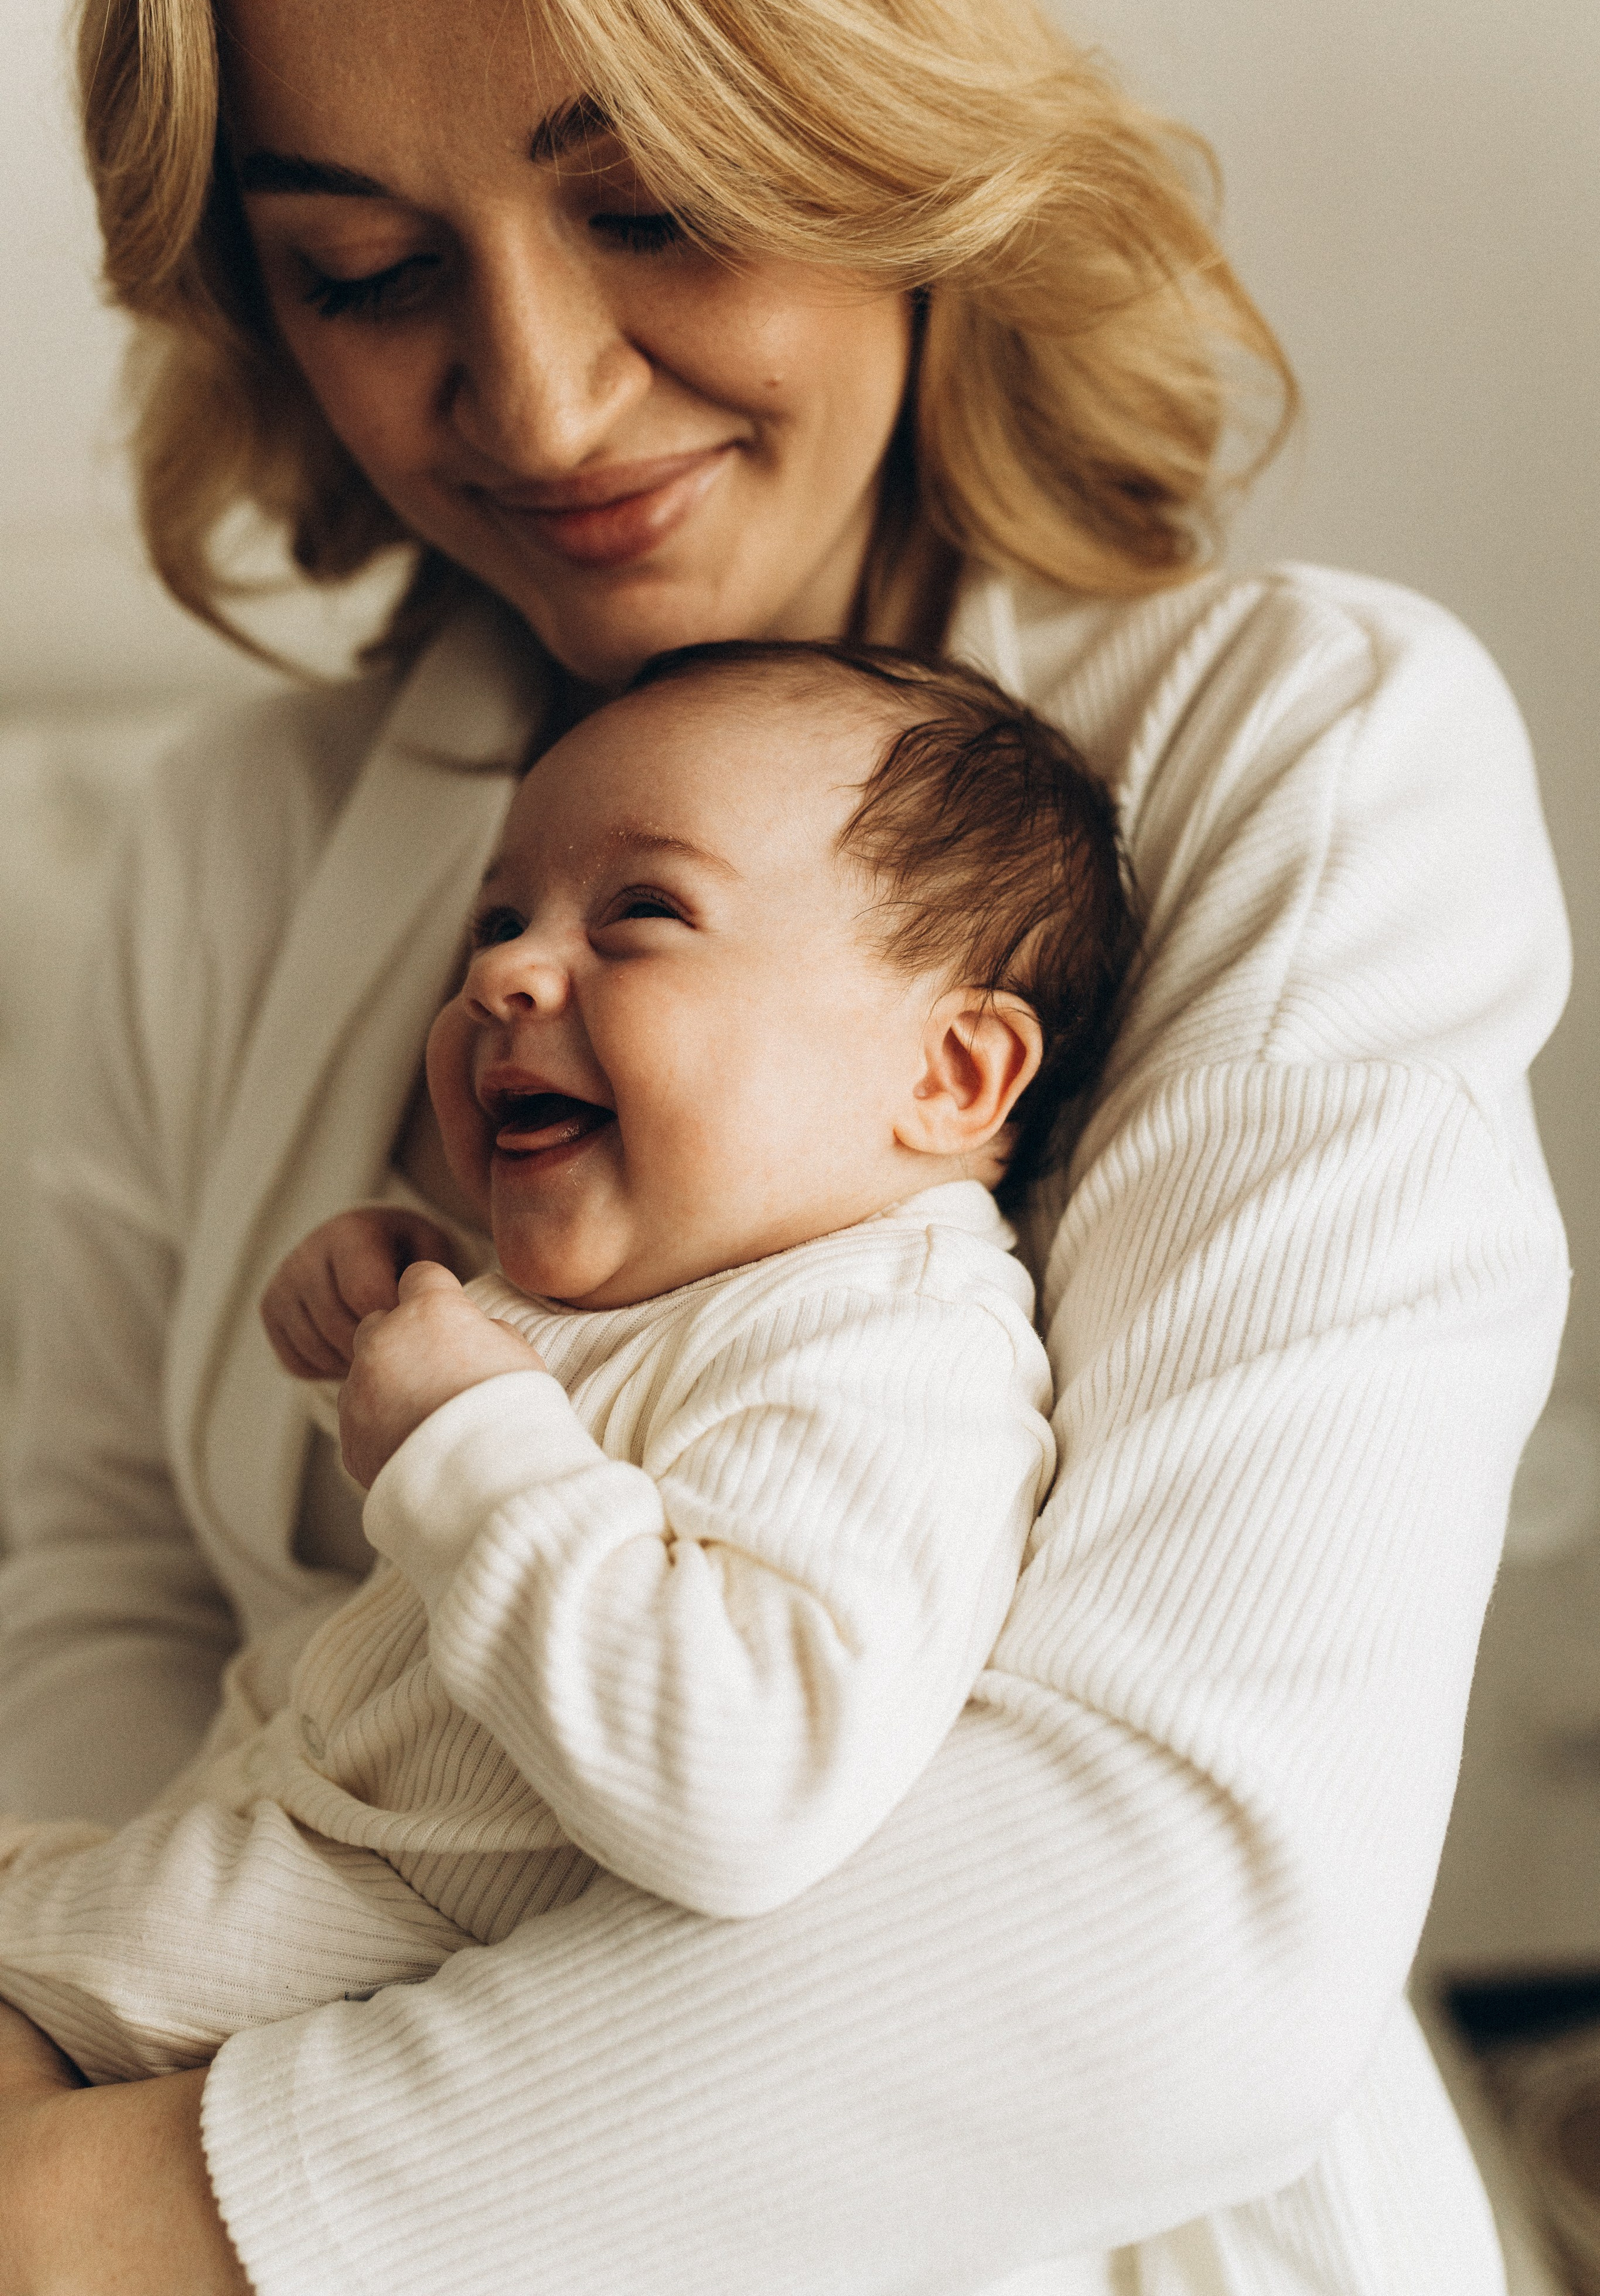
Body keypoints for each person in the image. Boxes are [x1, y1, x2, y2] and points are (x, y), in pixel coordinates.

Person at [0, 0, 1568, 2288]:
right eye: (365, 269)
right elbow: (100, 1590)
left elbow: (1172, 1915)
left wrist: (118, 2211)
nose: (532, 400)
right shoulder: (237, 842)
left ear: (886, 135)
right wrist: (83, 2013)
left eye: (652, 209)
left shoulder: (1298, 755)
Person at [0, 643, 1128, 2073]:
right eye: (496, 919)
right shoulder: (695, 1279)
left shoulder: (896, 1352)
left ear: (949, 1074)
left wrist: (463, 1433)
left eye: (644, 912)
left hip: (326, 1980)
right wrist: (370, 1362)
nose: (505, 975)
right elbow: (494, 1565)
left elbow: (745, 1777)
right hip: (227, 1858)